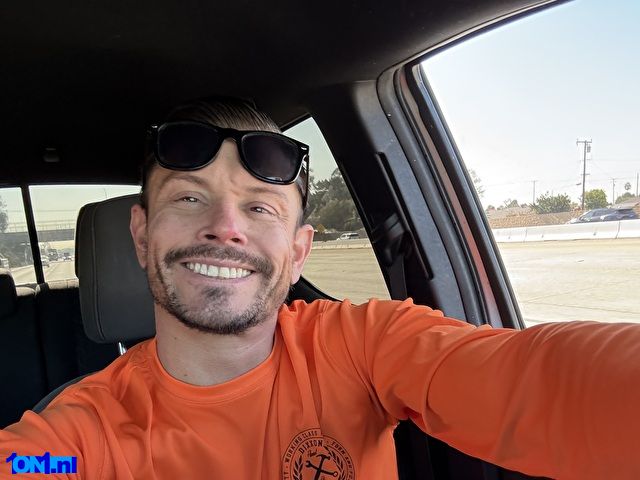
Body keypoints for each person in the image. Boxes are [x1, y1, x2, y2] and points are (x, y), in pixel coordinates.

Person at [1, 97, 639, 479]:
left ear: (299, 250)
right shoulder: (82, 438)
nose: (225, 227)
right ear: (142, 236)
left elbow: (536, 379)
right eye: (189, 198)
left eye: (260, 208)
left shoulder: (364, 346)